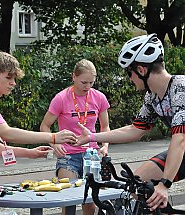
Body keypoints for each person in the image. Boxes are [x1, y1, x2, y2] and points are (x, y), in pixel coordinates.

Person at [76, 33, 185, 212]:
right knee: (136, 184)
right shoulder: (152, 96)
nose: (130, 79)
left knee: (159, 192)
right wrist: (92, 136)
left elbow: (180, 139)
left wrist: (165, 184)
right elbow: (135, 130)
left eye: (130, 72)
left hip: (182, 146)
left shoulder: (181, 88)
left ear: (141, 70)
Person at [0, 51, 77, 215]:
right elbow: (7, 133)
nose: (13, 83)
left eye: (14, 79)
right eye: (8, 78)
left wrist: (30, 153)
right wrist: (53, 136)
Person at [40, 59, 110, 215]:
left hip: (91, 155)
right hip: (68, 155)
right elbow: (44, 126)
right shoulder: (61, 98)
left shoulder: (99, 97)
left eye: (91, 82)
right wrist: (54, 143)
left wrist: (104, 145)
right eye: (84, 82)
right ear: (74, 77)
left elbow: (105, 127)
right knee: (70, 199)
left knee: (90, 203)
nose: (88, 87)